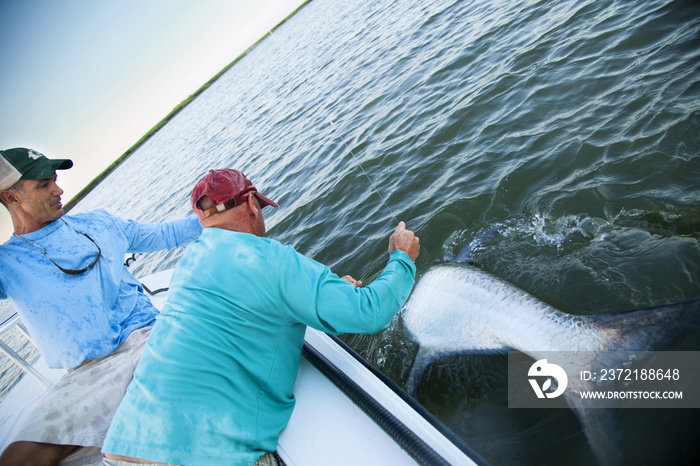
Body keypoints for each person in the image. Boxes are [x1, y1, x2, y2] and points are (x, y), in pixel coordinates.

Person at [101, 168, 420, 466]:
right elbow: (370, 312)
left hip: (121, 449)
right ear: (252, 204)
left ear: (203, 220)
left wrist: (322, 298)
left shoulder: (188, 265)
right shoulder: (272, 260)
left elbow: (249, 308)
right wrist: (402, 258)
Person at [0, 147, 202, 465]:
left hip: (148, 338)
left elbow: (164, 234)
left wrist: (215, 217)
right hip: (87, 374)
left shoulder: (99, 223)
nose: (59, 189)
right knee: (17, 459)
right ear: (11, 198)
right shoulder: (6, 262)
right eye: (43, 185)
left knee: (162, 417)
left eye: (54, 180)